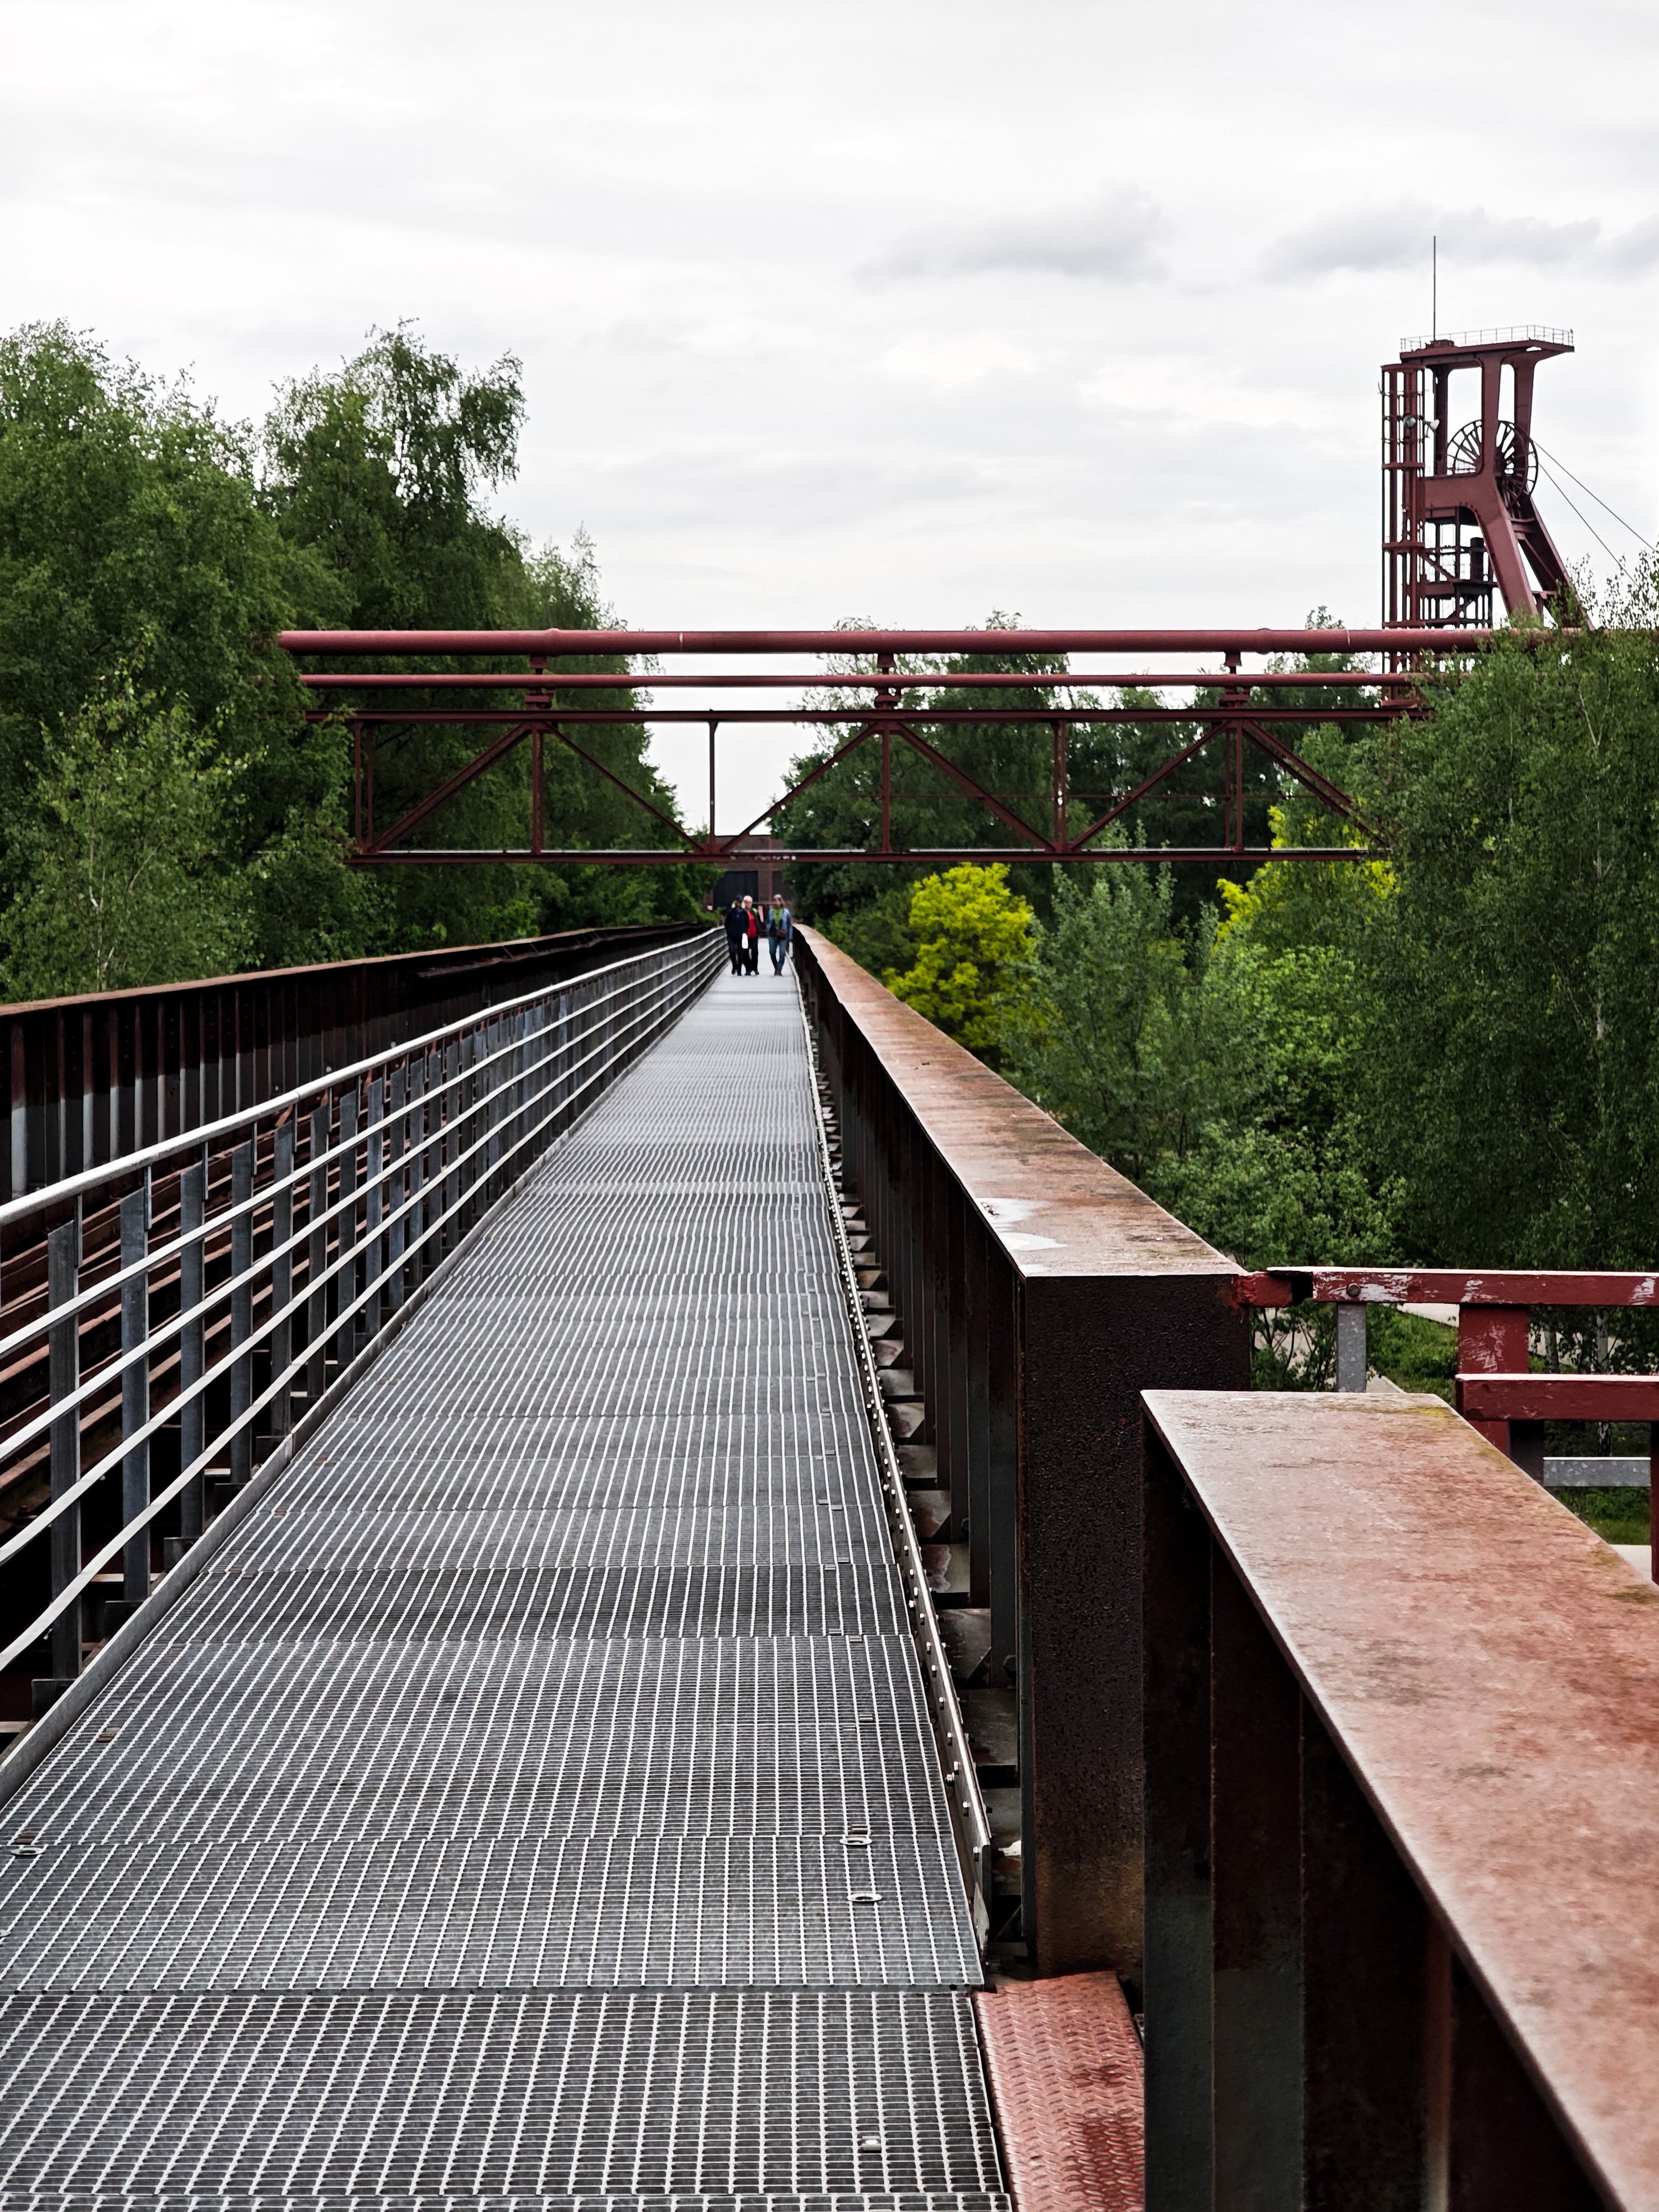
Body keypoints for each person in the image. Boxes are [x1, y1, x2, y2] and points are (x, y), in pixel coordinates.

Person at [766, 894, 794, 975]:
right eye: (774, 901)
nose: (775, 903)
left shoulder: (786, 912)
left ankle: (779, 970)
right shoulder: (771, 912)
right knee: (772, 953)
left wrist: (790, 936)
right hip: (773, 935)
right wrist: (769, 929)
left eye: (776, 901)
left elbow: (789, 925)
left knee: (782, 954)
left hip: (783, 936)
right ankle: (777, 967)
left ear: (781, 902)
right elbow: (768, 922)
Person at [723, 894, 747, 975]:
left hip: (741, 935)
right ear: (736, 902)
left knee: (740, 953)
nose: (740, 903)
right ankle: (734, 965)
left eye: (741, 902)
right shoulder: (731, 912)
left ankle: (739, 970)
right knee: (732, 951)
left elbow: (747, 923)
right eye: (739, 902)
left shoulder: (744, 913)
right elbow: (727, 923)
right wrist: (729, 931)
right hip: (731, 935)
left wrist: (745, 931)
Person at [741, 895, 761, 974]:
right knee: (745, 953)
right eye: (746, 902)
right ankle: (748, 969)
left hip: (754, 935)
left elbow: (759, 922)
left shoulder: (754, 912)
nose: (748, 904)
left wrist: (759, 930)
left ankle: (755, 968)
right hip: (745, 936)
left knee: (755, 952)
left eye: (749, 902)